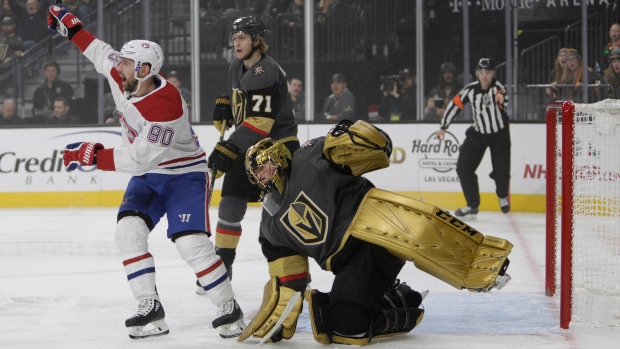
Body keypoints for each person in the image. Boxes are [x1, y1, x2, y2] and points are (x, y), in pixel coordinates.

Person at [46, 4, 246, 339]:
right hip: (150, 177)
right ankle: (149, 306)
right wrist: (71, 27)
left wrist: (94, 155)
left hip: (184, 175)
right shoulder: (124, 72)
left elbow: (140, 158)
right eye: (122, 60)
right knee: (127, 233)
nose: (117, 65)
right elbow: (99, 51)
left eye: (125, 62)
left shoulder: (167, 104)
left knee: (191, 245)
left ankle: (229, 307)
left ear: (143, 69)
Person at [237, 121, 513, 345]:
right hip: (352, 264)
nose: (262, 175)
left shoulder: (308, 158)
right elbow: (290, 277)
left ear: (279, 157)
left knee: (424, 235)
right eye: (256, 173)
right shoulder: (270, 227)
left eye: (264, 165)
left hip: (377, 230)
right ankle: (396, 296)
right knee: (346, 331)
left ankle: (483, 259)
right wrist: (282, 305)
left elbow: (354, 147)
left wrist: (354, 137)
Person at [206, 16, 299, 282]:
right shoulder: (236, 66)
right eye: (234, 38)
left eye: (242, 37)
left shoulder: (265, 70)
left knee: (276, 214)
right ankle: (222, 270)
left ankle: (292, 271)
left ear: (256, 40)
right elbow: (241, 100)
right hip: (249, 146)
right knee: (229, 206)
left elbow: (261, 122)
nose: (237, 43)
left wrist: (228, 147)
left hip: (276, 148)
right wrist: (226, 103)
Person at [435, 58, 511, 220]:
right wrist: (443, 127)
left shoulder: (498, 88)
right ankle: (472, 204)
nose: (484, 77)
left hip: (499, 134)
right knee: (463, 168)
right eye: (481, 73)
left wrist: (501, 101)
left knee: (502, 173)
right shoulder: (470, 89)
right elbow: (455, 105)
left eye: (488, 73)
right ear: (477, 73)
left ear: (493, 74)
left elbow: (502, 97)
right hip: (478, 133)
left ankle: (502, 195)